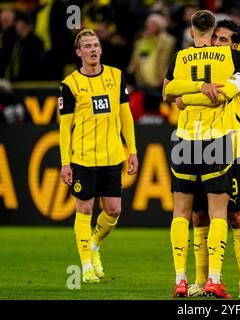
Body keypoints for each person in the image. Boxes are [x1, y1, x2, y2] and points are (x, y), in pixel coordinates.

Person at [166, 19, 240, 299]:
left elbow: (179, 94)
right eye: (216, 38)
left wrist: (187, 97)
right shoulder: (214, 64)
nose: (217, 44)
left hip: (231, 148)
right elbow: (172, 91)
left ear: (235, 46)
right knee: (199, 214)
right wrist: (199, 88)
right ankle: (202, 282)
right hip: (203, 144)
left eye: (224, 40)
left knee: (236, 216)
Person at [58, 29, 138, 283]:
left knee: (113, 210)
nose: (93, 49)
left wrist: (132, 151)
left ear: (101, 50)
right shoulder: (70, 84)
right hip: (83, 158)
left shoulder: (116, 76)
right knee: (84, 209)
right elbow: (64, 127)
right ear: (78, 52)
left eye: (96, 45)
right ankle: (85, 267)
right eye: (87, 46)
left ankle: (93, 247)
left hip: (113, 156)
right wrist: (65, 162)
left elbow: (125, 116)